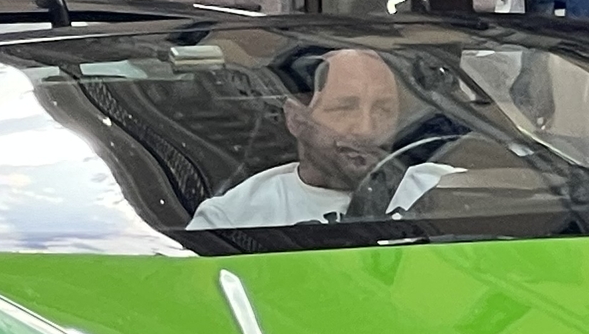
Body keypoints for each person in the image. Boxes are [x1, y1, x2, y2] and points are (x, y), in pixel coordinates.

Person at [189, 46, 451, 229]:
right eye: (345, 108)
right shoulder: (234, 218)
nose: (366, 129)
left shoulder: (445, 190)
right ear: (296, 120)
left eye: (383, 109)